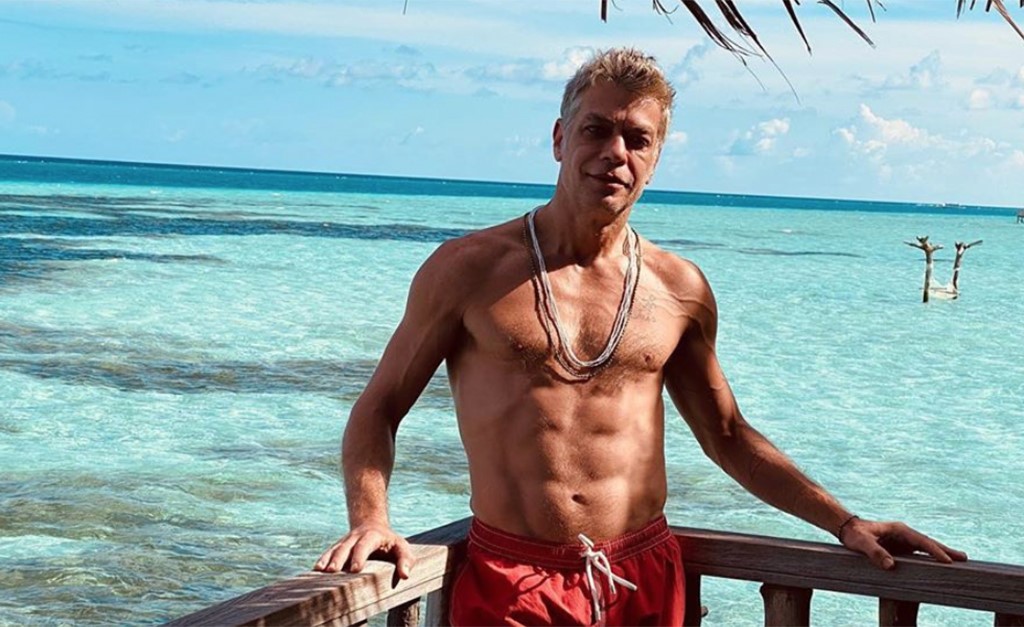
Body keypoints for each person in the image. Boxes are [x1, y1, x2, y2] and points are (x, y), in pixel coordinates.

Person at [314, 47, 966, 625]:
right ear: (560, 138)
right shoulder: (468, 270)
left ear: (655, 159)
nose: (615, 153)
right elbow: (380, 407)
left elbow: (727, 434)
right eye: (596, 129)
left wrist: (844, 521)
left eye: (638, 138)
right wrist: (371, 520)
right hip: (512, 576)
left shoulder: (679, 288)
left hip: (643, 572)